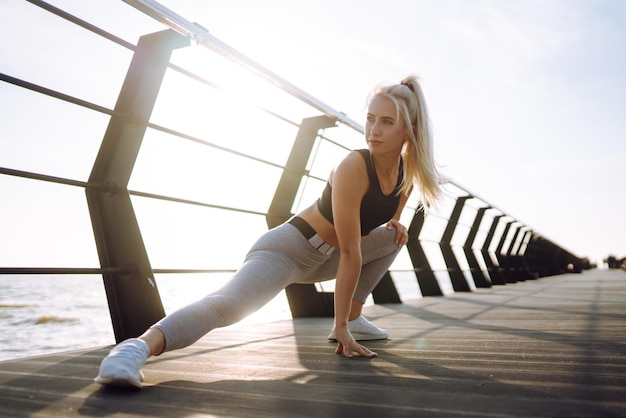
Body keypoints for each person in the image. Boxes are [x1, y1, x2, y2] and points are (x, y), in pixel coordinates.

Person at [95, 75, 442, 388]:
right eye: (370, 119)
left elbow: (395, 202)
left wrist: (396, 219)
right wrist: (338, 329)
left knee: (396, 237)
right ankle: (135, 349)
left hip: (326, 258)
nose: (373, 131)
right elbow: (352, 253)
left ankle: (355, 317)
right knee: (227, 307)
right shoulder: (354, 165)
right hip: (288, 249)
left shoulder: (404, 170)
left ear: (407, 131)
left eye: (386, 122)